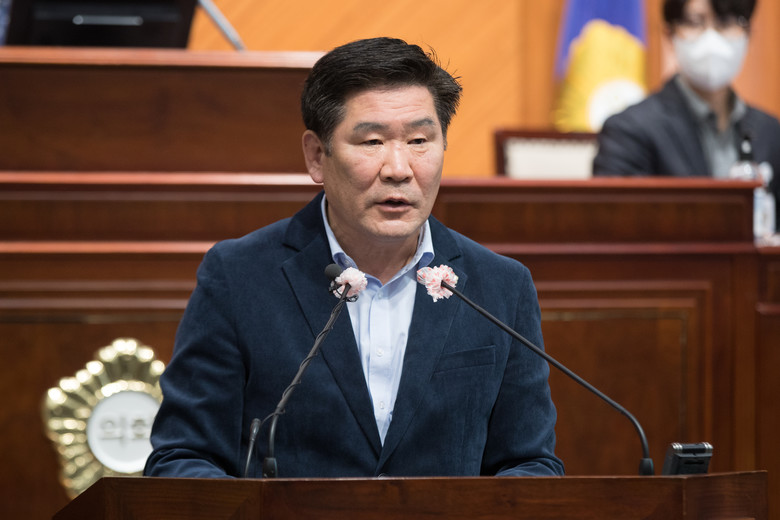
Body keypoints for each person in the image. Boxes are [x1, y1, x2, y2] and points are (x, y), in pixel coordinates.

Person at [144, 37, 562, 479]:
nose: (398, 168)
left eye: (419, 140)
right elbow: (182, 459)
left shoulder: (500, 286)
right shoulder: (239, 276)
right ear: (316, 156)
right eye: (372, 141)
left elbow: (530, 464)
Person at [592, 0, 780, 223]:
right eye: (694, 22)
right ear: (669, 33)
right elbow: (614, 225)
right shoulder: (628, 131)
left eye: (725, 22)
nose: (711, 38)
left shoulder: (771, 132)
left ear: (748, 32)